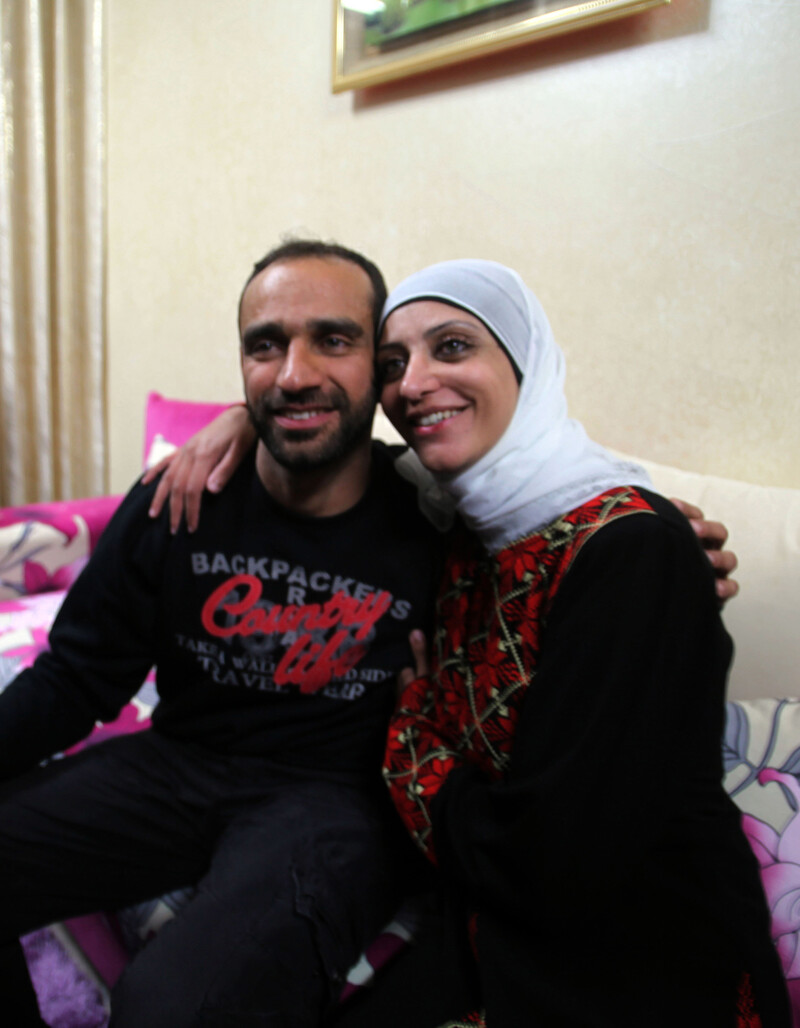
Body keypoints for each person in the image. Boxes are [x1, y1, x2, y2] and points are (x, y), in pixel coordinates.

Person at [152, 254, 764, 1027]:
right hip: (490, 925)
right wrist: (242, 417)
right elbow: (328, 439)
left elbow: (561, 860)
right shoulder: (462, 522)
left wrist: (417, 736)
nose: (411, 385)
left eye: (452, 347)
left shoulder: (632, 549)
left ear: (526, 362)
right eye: (394, 362)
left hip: (634, 960)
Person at [0, 240, 442, 1028]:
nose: (294, 372)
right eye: (265, 345)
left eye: (332, 340)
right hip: (178, 766)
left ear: (381, 364)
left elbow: (563, 532)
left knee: (172, 1006)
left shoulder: (437, 513)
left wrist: (648, 537)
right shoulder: (181, 495)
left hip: (335, 804)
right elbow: (73, 679)